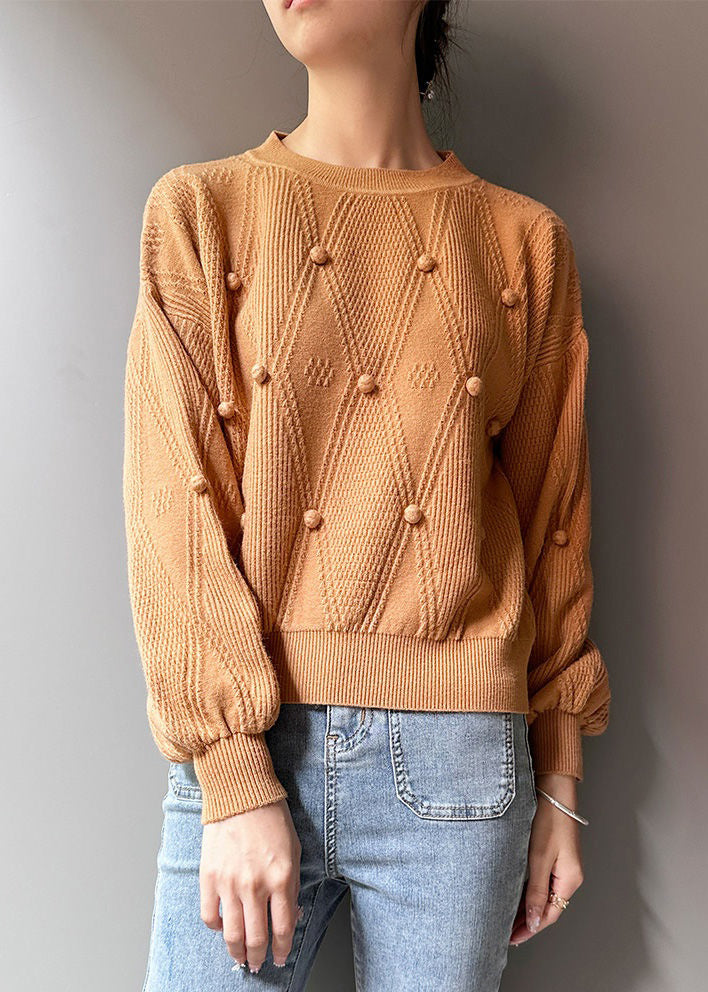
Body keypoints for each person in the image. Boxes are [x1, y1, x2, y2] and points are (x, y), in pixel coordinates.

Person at [122, 1, 611, 989]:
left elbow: (554, 522)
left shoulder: (524, 243)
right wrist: (232, 772)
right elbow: (172, 504)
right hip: (253, 740)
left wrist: (560, 779)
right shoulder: (200, 212)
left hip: (462, 761)